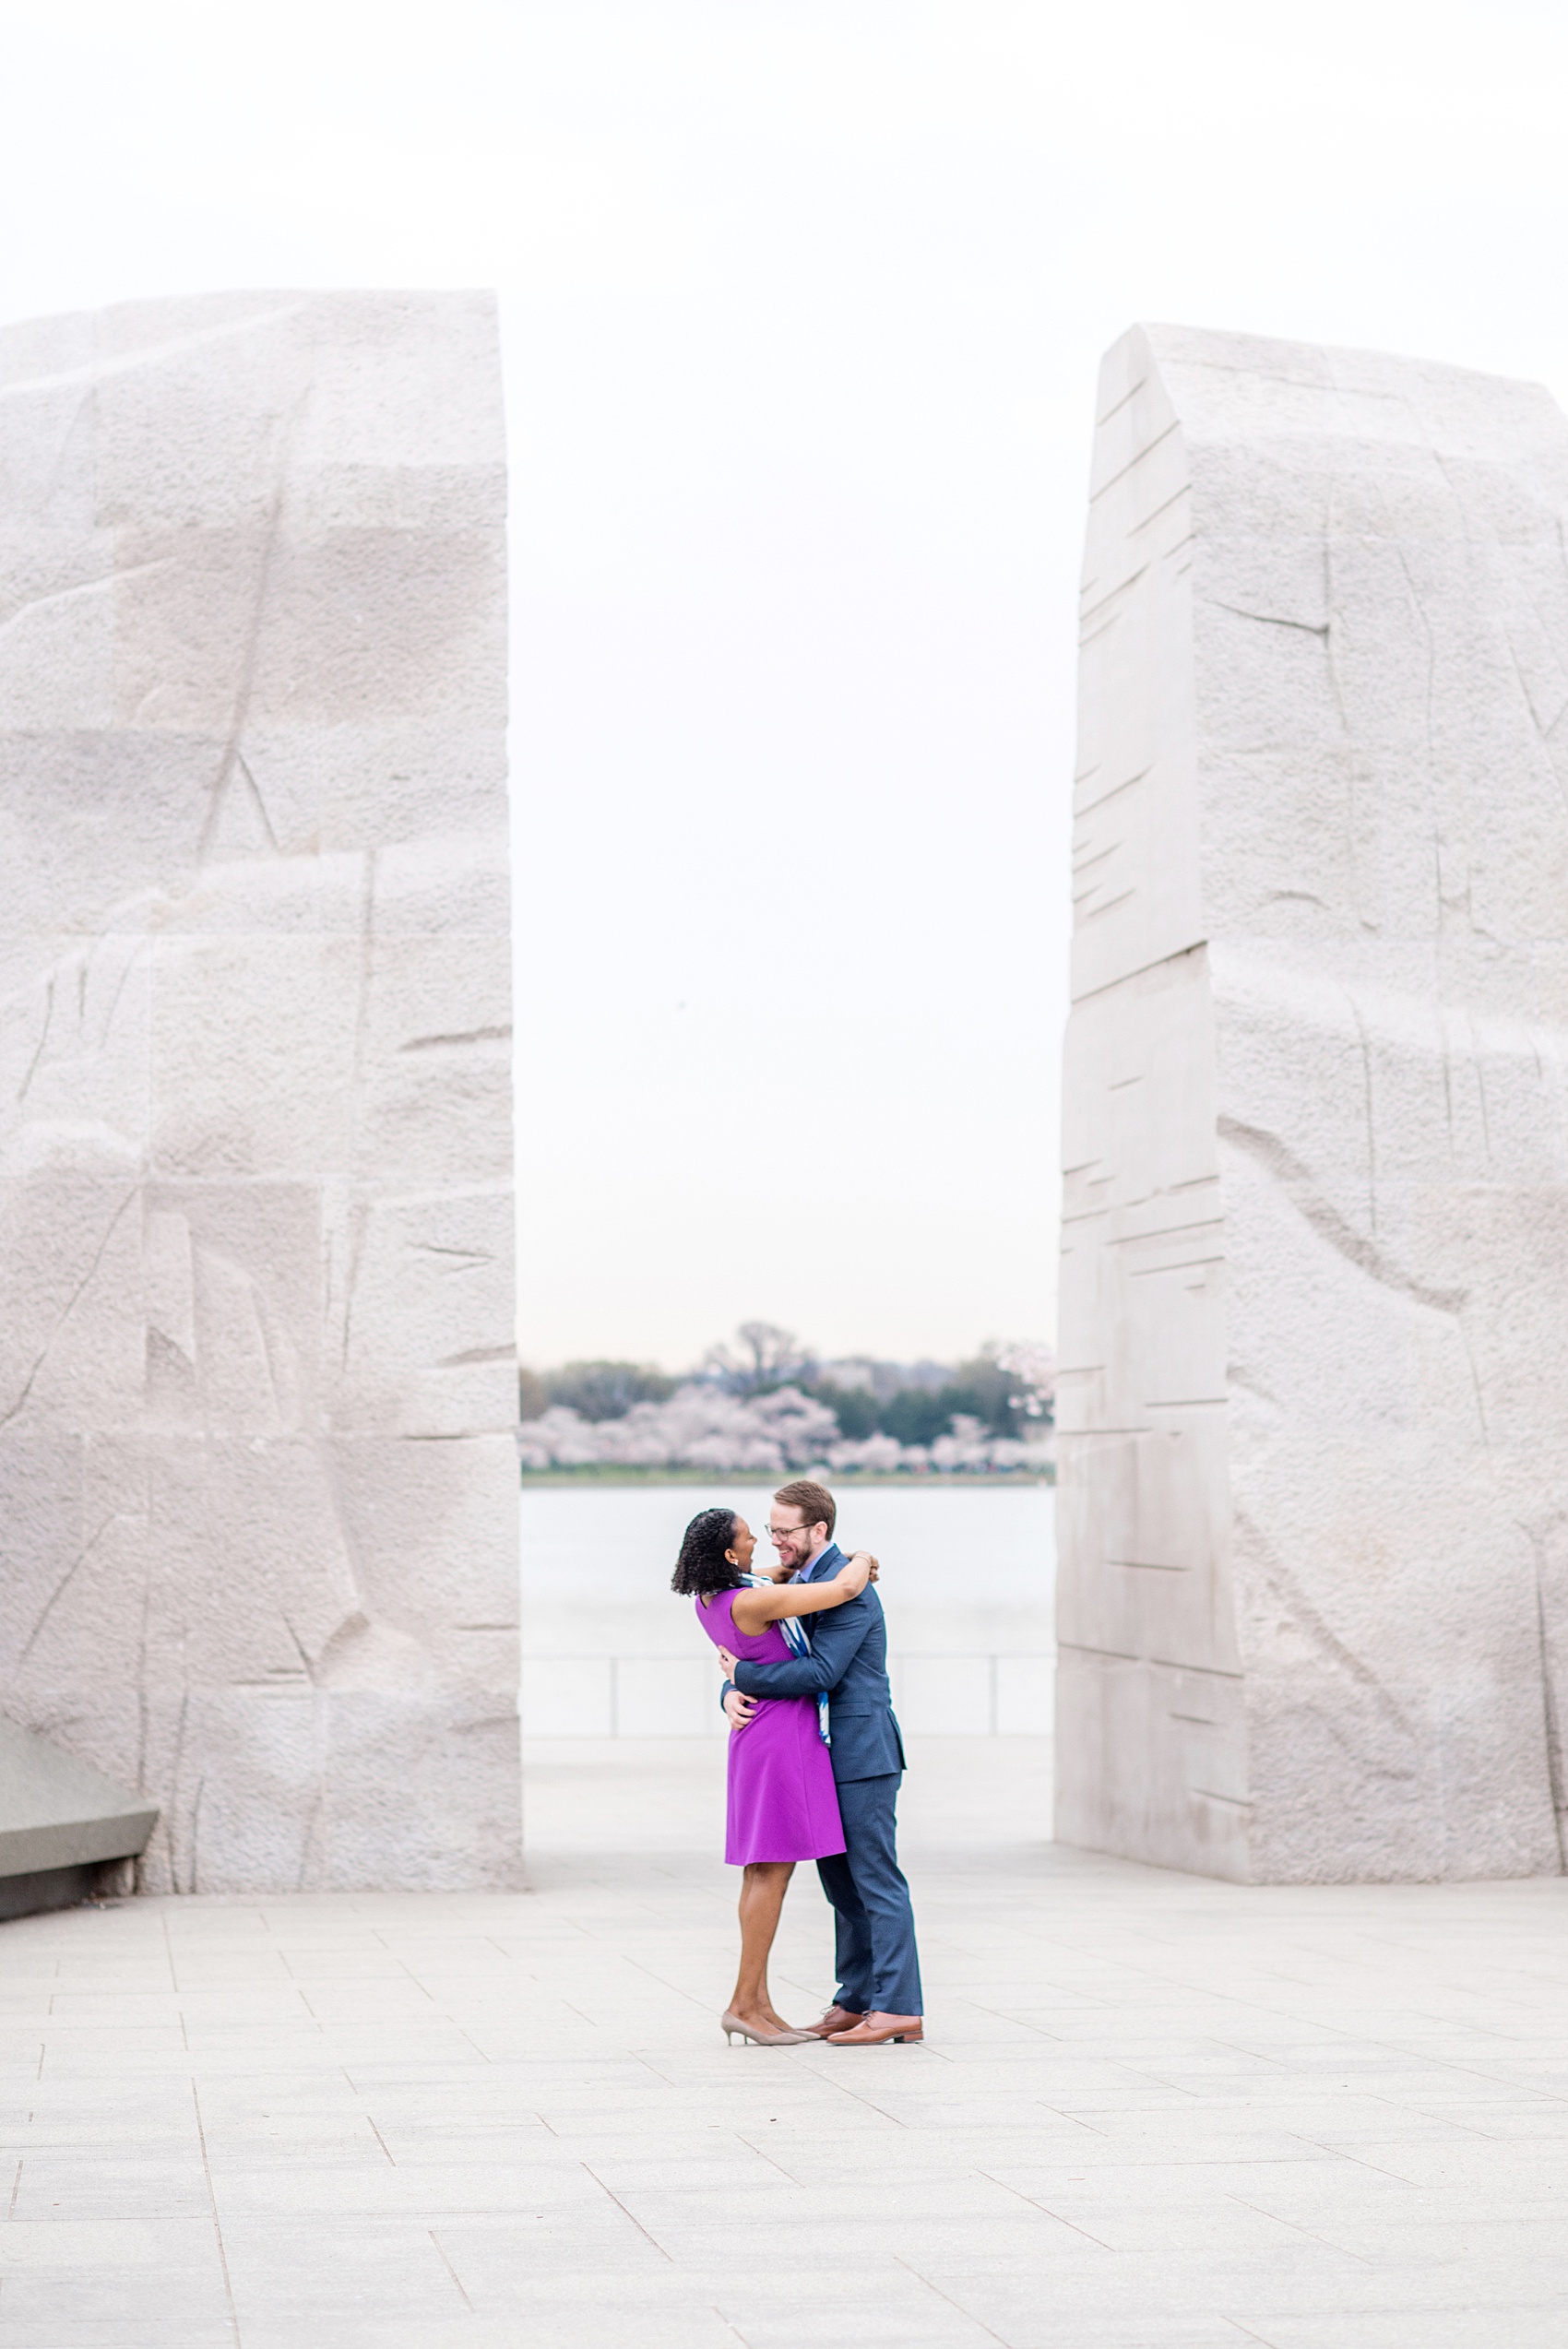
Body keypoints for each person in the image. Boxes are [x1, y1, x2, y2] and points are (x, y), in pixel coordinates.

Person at [719, 1478, 923, 2046]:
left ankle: (900, 2007)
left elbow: (819, 1673)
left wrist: (740, 1676)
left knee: (876, 1880)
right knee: (841, 1887)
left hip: (862, 1753)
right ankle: (855, 2000)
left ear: (819, 1530)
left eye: (785, 1531)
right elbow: (762, 1648)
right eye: (771, 1529)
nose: (775, 1540)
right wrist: (729, 1692)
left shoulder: (848, 1589)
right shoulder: (800, 1583)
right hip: (816, 1757)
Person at [673, 1504, 873, 2046]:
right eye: (749, 1537)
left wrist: (730, 1688)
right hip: (781, 1738)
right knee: (771, 1872)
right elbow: (840, 1590)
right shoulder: (754, 1601)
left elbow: (780, 1579)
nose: (760, 1543)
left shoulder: (714, 1597)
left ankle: (759, 2004)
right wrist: (861, 1557)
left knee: (761, 1871)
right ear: (730, 1554)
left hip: (757, 1736)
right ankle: (743, 2003)